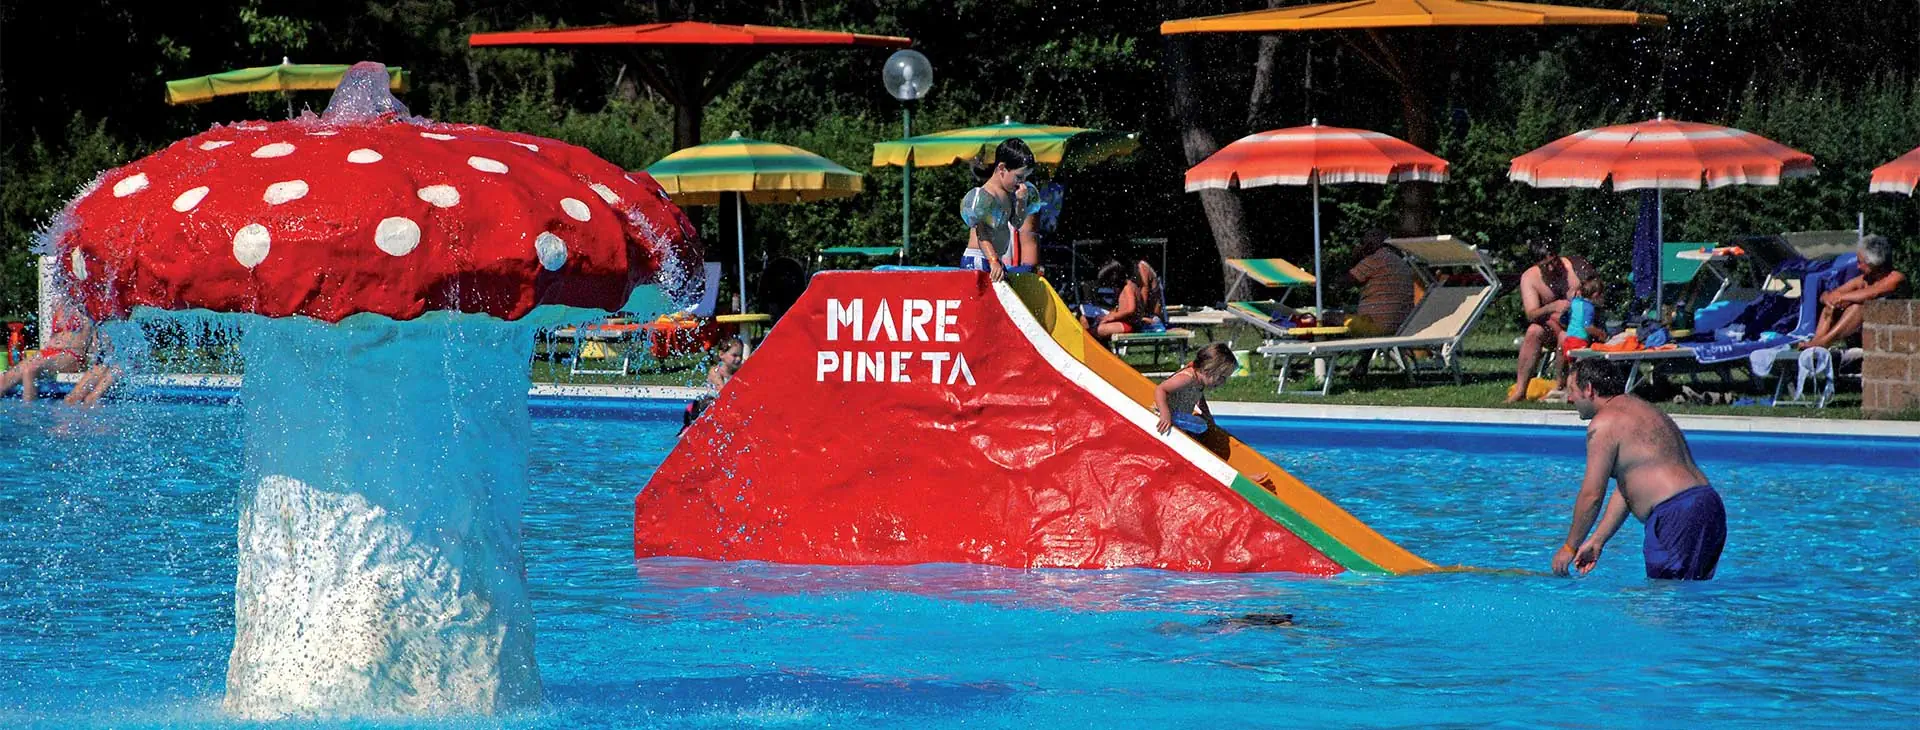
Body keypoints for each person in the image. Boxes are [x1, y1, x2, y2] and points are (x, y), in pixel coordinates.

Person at [1552, 358, 1726, 581]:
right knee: (1687, 594)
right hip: (1706, 505)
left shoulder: (1604, 423)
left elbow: (1592, 495)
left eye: (1572, 391)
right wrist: (1598, 539)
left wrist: (1569, 547)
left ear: (1589, 389)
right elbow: (1628, 488)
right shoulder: (1644, 410)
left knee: (1665, 598)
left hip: (1675, 513)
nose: (1570, 399)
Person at [1153, 344, 1270, 486]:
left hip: (1179, 423)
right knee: (1197, 452)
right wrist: (1165, 415)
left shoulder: (1198, 380)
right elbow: (1161, 389)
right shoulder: (1186, 378)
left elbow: (1198, 397)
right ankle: (1232, 478)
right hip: (1164, 424)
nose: (1223, 382)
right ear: (1208, 369)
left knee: (1204, 439)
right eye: (1222, 377)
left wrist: (1207, 415)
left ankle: (1233, 475)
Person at [1507, 246, 1592, 403]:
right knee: (1533, 331)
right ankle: (1520, 390)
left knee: (1564, 337)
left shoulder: (1575, 269)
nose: (1552, 268)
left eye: (1555, 261)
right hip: (1551, 328)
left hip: (1580, 330)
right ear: (1537, 265)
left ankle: (1560, 386)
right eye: (1546, 265)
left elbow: (1597, 297)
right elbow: (1531, 314)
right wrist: (1551, 307)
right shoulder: (1530, 278)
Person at [1801, 235, 1906, 349]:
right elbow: (1832, 294)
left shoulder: (1895, 277)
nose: (1858, 266)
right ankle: (1817, 342)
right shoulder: (1864, 279)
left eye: (1860, 262)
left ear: (1873, 264)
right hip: (1866, 328)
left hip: (1891, 328)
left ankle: (1824, 341)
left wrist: (1840, 297)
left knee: (1858, 307)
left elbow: (1872, 293)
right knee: (1830, 306)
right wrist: (1828, 298)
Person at [959, 138, 1043, 281]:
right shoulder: (986, 195)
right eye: (1019, 177)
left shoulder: (1009, 194)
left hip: (995, 260)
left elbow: (1017, 223)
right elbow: (982, 232)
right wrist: (992, 260)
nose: (1022, 182)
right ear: (1002, 168)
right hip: (979, 259)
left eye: (1025, 177)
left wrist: (1021, 202)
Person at [1343, 229, 1416, 378]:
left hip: (1375, 326)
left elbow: (1345, 282)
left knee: (1328, 318)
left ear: (1371, 244)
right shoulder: (1401, 263)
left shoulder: (1374, 261)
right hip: (1402, 325)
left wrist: (1354, 258)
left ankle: (1319, 367)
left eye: (1364, 243)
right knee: (1375, 325)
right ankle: (1362, 365)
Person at [0, 299, 92, 403]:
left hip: (71, 354)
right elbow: (55, 335)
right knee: (5, 378)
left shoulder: (85, 308)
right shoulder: (59, 305)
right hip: (50, 351)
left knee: (29, 370)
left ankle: (28, 410)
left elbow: (83, 343)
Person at [1551, 278, 1609, 395]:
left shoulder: (1575, 303)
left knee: (1572, 369)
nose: (1603, 299)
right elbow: (1588, 327)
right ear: (1596, 295)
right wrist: (1601, 334)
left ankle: (1569, 393)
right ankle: (1575, 394)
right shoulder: (1589, 308)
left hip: (1568, 340)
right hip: (1579, 342)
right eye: (1602, 296)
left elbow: (1565, 319)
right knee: (1578, 371)